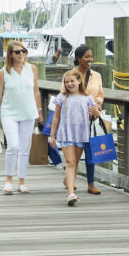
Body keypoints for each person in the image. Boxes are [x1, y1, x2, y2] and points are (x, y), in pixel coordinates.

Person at [0, 40, 42, 194]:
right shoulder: (3, 72)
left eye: (24, 51)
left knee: (25, 148)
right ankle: (8, 180)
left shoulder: (32, 69)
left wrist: (39, 111)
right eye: (17, 52)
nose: (21, 54)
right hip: (9, 113)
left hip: (28, 113)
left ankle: (22, 181)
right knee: (13, 145)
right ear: (10, 55)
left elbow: (36, 91)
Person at [48, 70, 95, 207]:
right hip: (66, 132)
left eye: (72, 81)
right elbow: (56, 117)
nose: (69, 84)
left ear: (79, 81)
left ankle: (69, 183)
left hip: (81, 133)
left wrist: (95, 113)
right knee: (70, 162)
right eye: (66, 82)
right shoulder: (62, 97)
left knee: (75, 163)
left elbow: (93, 116)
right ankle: (70, 194)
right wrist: (52, 135)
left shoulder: (87, 98)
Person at [72, 44, 106, 195]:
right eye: (86, 57)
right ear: (78, 58)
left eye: (91, 56)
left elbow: (100, 94)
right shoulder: (71, 75)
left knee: (90, 151)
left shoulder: (96, 75)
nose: (90, 59)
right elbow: (66, 94)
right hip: (76, 119)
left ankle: (91, 184)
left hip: (92, 118)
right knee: (75, 152)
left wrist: (97, 108)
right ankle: (70, 179)